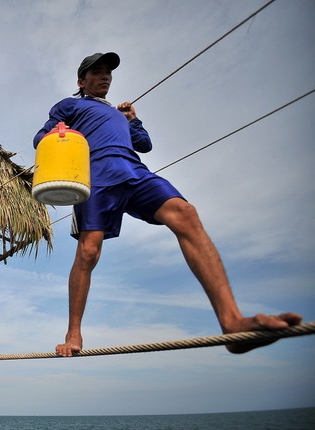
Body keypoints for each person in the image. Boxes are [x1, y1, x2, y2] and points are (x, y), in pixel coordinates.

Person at [33, 52, 302, 356]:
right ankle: (73, 335)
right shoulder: (72, 105)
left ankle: (232, 325)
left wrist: (133, 119)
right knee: (89, 249)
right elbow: (42, 137)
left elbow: (144, 144)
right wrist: (60, 134)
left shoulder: (119, 115)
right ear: (81, 81)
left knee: (186, 214)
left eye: (108, 72)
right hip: (96, 175)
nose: (105, 76)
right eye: (97, 72)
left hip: (134, 170)